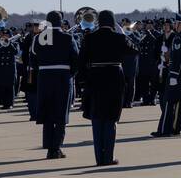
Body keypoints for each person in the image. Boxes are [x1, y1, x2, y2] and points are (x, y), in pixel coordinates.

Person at [79, 10, 131, 166]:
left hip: (94, 80)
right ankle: (108, 157)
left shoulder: (89, 38)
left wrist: (82, 83)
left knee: (96, 119)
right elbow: (134, 49)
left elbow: (81, 62)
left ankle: (99, 158)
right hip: (115, 79)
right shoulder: (118, 37)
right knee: (111, 119)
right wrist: (123, 33)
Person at [31, 11, 79, 159]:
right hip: (62, 78)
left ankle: (48, 146)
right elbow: (76, 61)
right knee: (61, 113)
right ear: (61, 22)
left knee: (47, 112)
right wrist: (70, 75)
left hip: (45, 78)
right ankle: (56, 148)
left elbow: (33, 60)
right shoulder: (68, 37)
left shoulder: (38, 38)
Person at [0, 28, 18, 108]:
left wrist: (9, 44)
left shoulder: (14, 44)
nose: (6, 36)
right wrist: (2, 44)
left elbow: (15, 52)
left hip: (10, 68)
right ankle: (2, 103)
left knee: (9, 86)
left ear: (10, 36)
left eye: (7, 35)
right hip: (1, 69)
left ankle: (9, 104)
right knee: (1, 86)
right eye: (4, 35)